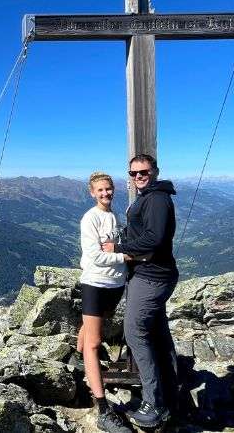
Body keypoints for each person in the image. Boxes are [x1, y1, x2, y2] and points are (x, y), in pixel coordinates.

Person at [102, 153, 179, 429]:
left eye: (143, 172)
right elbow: (145, 234)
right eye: (134, 173)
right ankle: (169, 396)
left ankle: (153, 403)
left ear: (155, 171)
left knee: (135, 332)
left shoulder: (157, 198)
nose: (138, 177)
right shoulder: (149, 197)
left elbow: (154, 239)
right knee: (157, 334)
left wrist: (118, 249)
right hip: (151, 275)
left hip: (151, 277)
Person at [77, 171, 132, 433]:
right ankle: (101, 407)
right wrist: (126, 257)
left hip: (114, 285)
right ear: (92, 192)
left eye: (108, 189)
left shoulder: (113, 215)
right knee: (95, 342)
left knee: (91, 329)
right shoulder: (90, 218)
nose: (105, 193)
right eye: (100, 190)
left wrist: (119, 253)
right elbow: (95, 256)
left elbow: (112, 246)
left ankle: (79, 360)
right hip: (95, 284)